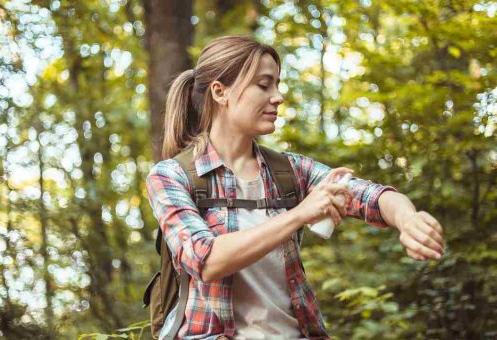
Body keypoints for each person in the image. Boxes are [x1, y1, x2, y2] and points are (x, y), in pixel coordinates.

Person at [145, 36, 445, 340]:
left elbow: (373, 197)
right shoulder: (171, 176)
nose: (278, 97)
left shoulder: (290, 171)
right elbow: (206, 261)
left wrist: (408, 219)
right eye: (264, 85)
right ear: (220, 92)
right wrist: (300, 214)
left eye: (277, 84)